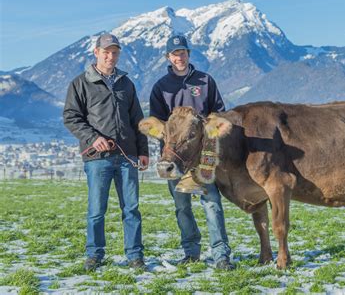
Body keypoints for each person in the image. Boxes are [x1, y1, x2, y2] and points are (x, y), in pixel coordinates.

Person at [63, 33, 149, 271]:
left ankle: (135, 256)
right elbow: (71, 117)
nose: (111, 56)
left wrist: (143, 151)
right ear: (96, 53)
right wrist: (93, 138)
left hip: (127, 157)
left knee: (131, 209)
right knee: (96, 210)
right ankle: (94, 254)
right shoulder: (81, 83)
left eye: (115, 52)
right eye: (106, 52)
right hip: (96, 158)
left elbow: (137, 120)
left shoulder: (126, 83)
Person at [149, 34, 234, 270]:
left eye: (183, 52)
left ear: (188, 54)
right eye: (175, 54)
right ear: (168, 57)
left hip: (203, 157)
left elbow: (219, 113)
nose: (180, 57)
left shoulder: (205, 81)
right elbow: (157, 124)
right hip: (174, 159)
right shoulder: (161, 87)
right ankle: (191, 252)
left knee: (212, 204)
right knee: (182, 206)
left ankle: (221, 255)